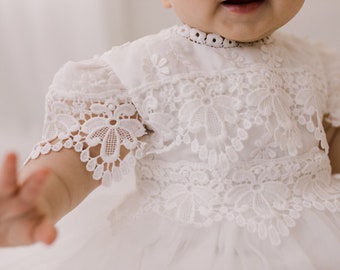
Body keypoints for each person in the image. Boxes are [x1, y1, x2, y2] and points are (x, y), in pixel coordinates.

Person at [0, 0, 340, 269]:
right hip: (188, 246)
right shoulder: (142, 69)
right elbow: (81, 156)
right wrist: (39, 201)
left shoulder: (317, 62)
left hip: (315, 235)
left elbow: (328, 147)